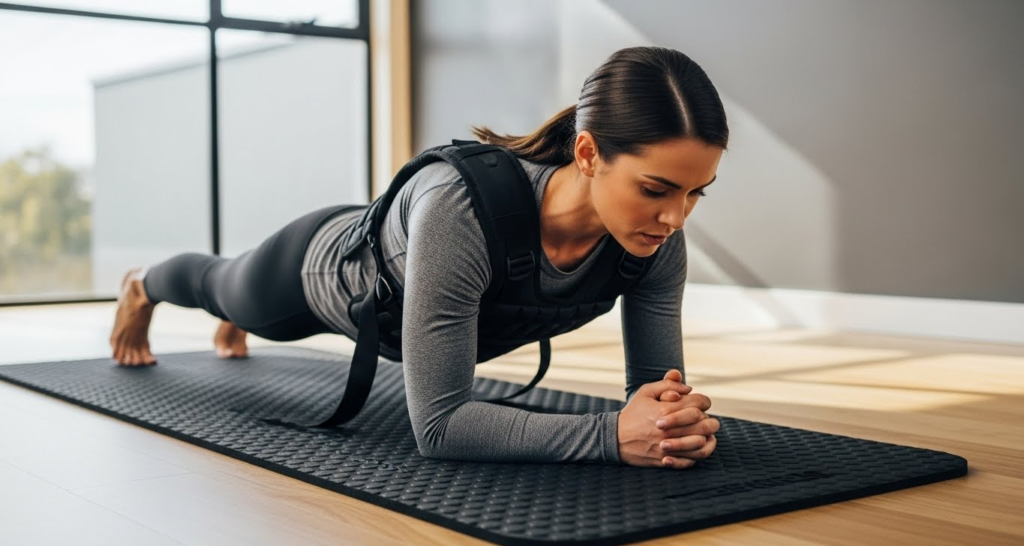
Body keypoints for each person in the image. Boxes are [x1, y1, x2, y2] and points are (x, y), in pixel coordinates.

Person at [109, 46, 727, 469]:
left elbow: (656, 396)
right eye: (655, 190)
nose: (676, 218)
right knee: (221, 285)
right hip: (322, 272)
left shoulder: (655, 241)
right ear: (588, 153)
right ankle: (140, 285)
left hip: (412, 275)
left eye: (696, 192)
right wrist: (608, 437)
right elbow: (440, 427)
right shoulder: (462, 211)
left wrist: (671, 423)